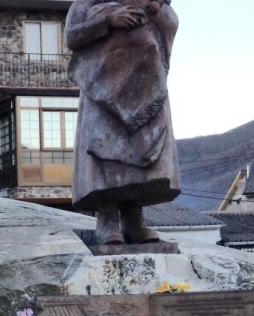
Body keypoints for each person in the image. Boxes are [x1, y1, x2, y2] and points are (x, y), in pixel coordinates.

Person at [66, 0, 181, 245]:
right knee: (105, 155)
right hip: (102, 88)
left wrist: (154, 9)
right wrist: (107, 21)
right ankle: (107, 219)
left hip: (147, 86)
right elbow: (72, 36)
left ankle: (134, 219)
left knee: (143, 154)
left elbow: (170, 25)